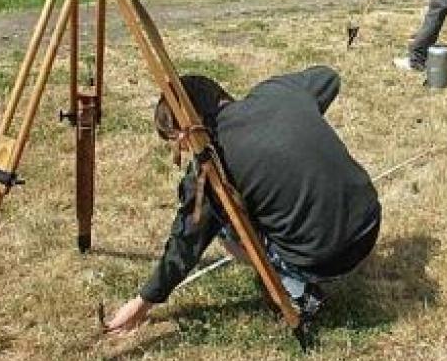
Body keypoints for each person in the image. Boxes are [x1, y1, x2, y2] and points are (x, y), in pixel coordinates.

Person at [105, 67, 381, 334]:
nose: (184, 153)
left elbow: (186, 242)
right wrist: (296, 116)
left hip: (324, 257)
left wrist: (143, 302)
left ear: (188, 133)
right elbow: (327, 77)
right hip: (368, 223)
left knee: (227, 230)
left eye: (180, 145)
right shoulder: (278, 92)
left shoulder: (211, 169)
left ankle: (296, 288)